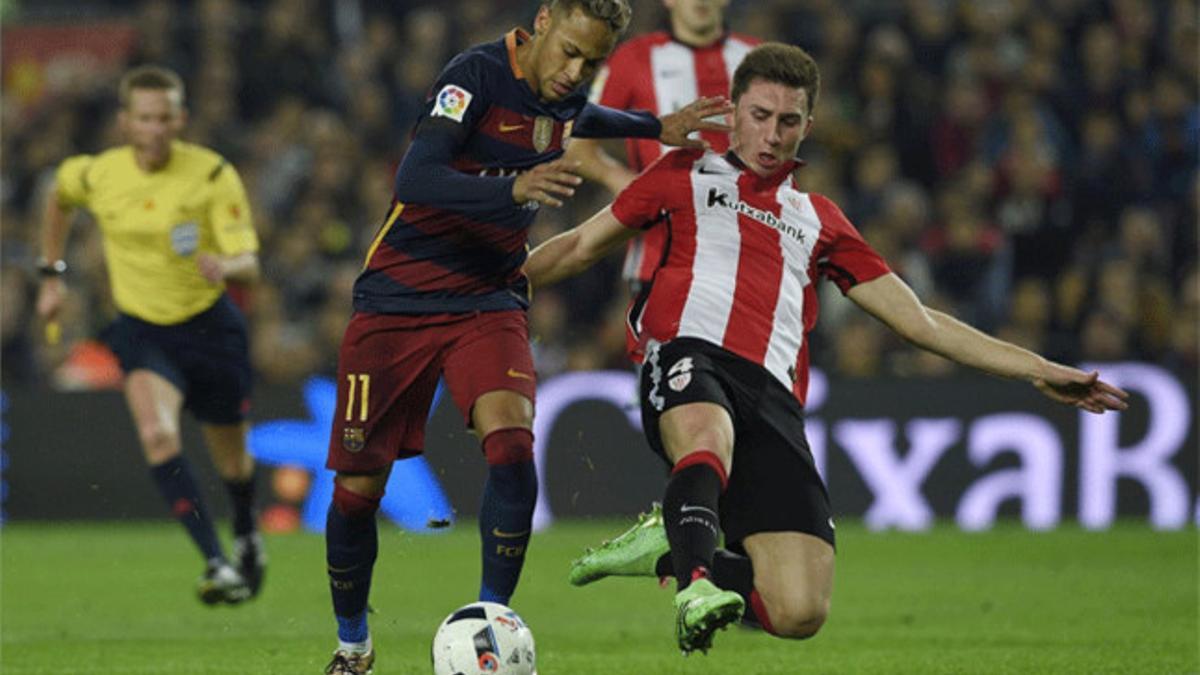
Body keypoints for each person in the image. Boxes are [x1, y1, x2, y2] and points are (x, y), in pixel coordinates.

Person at [524, 42, 1130, 655]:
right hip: (689, 352)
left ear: (807, 127)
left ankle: (674, 544)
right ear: (732, 112)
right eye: (759, 115)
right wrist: (489, 284)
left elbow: (919, 321)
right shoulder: (682, 174)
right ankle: (697, 582)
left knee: (799, 610)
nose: (771, 134)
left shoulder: (820, 219)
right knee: (706, 436)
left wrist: (1037, 369)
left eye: (788, 122)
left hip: (773, 397)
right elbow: (578, 247)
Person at [320, 1, 733, 672]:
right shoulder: (473, 76)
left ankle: (492, 622)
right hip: (396, 300)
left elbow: (577, 115)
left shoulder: (565, 92)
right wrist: (516, 189)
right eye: (569, 51)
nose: (576, 72)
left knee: (512, 448)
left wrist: (656, 126)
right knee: (357, 491)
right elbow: (415, 177)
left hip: (489, 296)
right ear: (542, 23)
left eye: (593, 61)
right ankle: (352, 643)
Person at [35, 65, 266, 606]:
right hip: (142, 331)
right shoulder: (98, 174)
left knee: (233, 462)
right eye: (145, 118)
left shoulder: (210, 174)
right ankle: (217, 561)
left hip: (210, 328)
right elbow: (58, 197)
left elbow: (251, 264)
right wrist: (52, 275)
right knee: (159, 436)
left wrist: (224, 265)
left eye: (165, 118)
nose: (156, 129)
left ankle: (248, 533)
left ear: (181, 119)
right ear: (125, 122)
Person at [564, 0, 758, 292]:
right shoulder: (633, 59)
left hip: (749, 254)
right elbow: (577, 144)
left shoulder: (758, 58)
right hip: (660, 258)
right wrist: (623, 181)